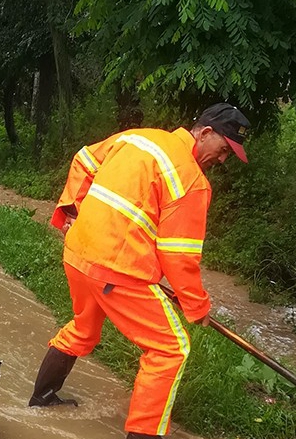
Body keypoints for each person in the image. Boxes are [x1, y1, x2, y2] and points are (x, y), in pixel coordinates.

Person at [29, 103, 251, 439]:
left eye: (228, 155)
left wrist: (71, 211)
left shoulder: (139, 138)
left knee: (84, 327)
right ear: (205, 132)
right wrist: (196, 306)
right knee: (171, 348)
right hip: (116, 270)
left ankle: (41, 399)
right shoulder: (192, 181)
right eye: (223, 150)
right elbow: (179, 255)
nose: (222, 160)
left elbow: (83, 160)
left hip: (77, 254)